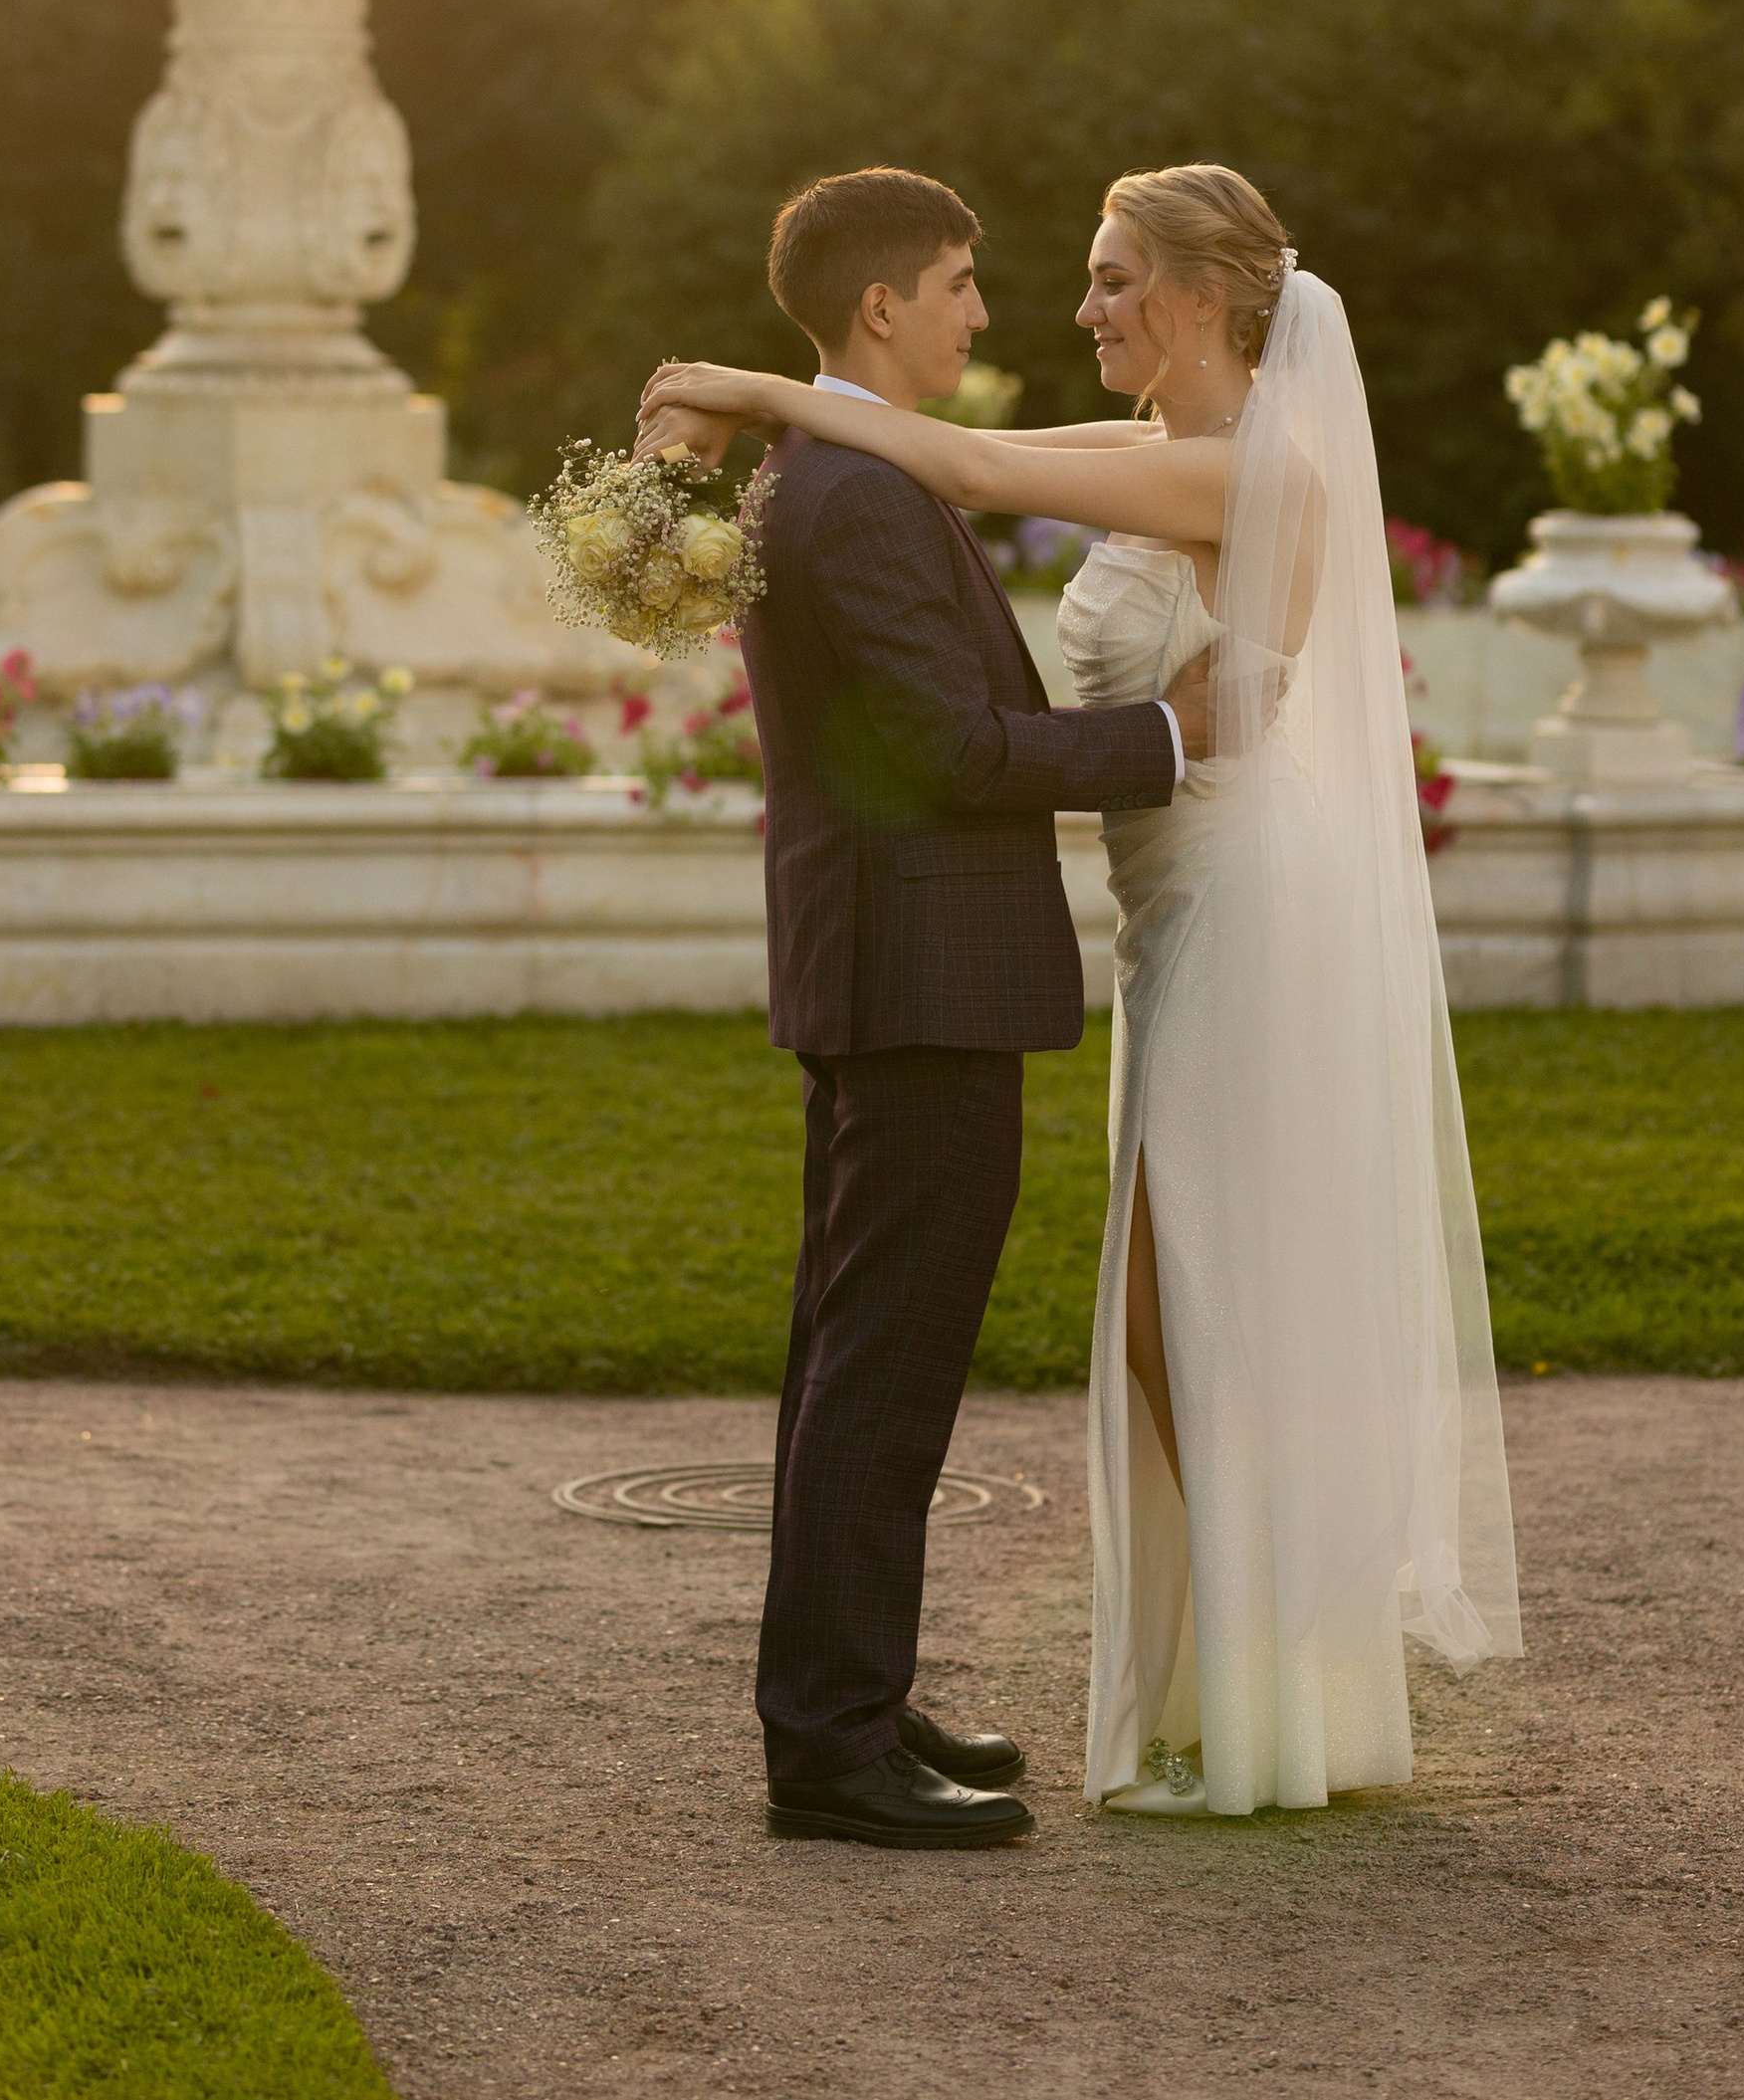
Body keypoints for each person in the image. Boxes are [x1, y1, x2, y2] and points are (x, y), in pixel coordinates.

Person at [640, 159, 1520, 1821]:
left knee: (1184, 1320)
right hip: (1118, 926)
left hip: (1229, 906)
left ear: (1203, 295)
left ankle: (1246, 1687)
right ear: (889, 304)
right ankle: (872, 1717)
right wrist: (796, 407)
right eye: (1011, 278)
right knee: (1047, 1334)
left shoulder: (1252, 469)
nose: (1066, 305)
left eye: (1114, 281)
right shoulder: (1130, 453)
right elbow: (954, 463)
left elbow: (958, 457)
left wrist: (764, 391)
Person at [640, 165, 1211, 1851]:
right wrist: (1180, 740)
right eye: (960, 282)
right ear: (881, 305)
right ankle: (827, 1743)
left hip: (891, 967)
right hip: (917, 979)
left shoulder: (836, 468)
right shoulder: (855, 492)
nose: (983, 309)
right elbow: (958, 752)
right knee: (883, 1368)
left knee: (857, 1356)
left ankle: (852, 1697)